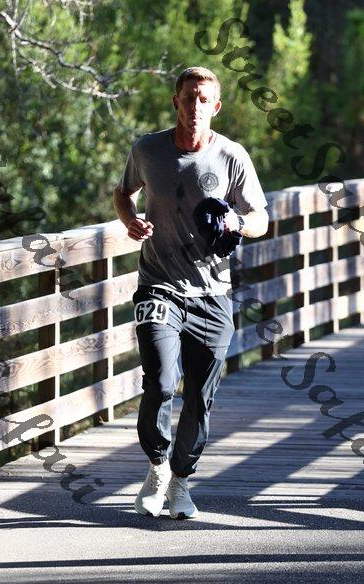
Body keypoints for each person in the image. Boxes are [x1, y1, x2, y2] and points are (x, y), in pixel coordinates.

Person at [113, 66, 269, 519]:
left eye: (204, 100)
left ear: (215, 107)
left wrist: (238, 222)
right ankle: (158, 467)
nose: (195, 107)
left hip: (213, 293)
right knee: (162, 381)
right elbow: (123, 193)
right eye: (188, 98)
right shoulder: (148, 150)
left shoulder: (232, 156)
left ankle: (181, 480)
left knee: (200, 396)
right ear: (176, 101)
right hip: (158, 285)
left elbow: (261, 218)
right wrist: (130, 220)